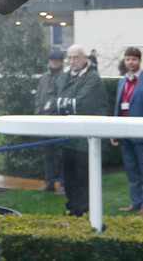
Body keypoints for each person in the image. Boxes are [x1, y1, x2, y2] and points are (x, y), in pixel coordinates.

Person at [55, 44, 108, 217]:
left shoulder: (92, 78)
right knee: (69, 180)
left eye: (76, 57)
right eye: (69, 58)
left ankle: (84, 212)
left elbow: (82, 103)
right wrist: (65, 103)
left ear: (85, 58)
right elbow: (52, 98)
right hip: (67, 138)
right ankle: (72, 208)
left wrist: (62, 104)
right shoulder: (64, 76)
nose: (72, 61)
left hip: (85, 141)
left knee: (84, 180)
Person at [109, 47, 143, 215]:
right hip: (125, 134)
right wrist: (115, 132)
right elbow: (118, 107)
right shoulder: (122, 82)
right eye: (128, 59)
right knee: (131, 171)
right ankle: (135, 202)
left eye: (133, 59)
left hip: (142, 134)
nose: (130, 62)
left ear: (139, 61)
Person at [35, 49, 64, 194]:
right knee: (47, 154)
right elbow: (39, 97)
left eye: (57, 60)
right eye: (52, 60)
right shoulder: (44, 77)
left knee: (62, 153)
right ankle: (49, 182)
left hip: (59, 120)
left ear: (61, 61)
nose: (54, 62)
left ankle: (64, 184)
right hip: (44, 120)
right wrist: (37, 115)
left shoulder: (65, 76)